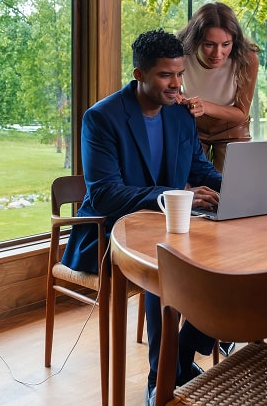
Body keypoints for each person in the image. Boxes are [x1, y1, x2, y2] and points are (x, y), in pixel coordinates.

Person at [60, 29, 221, 406]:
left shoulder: (180, 116)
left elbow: (199, 168)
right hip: (110, 234)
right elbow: (104, 194)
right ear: (140, 75)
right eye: (166, 75)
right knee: (164, 267)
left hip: (172, 224)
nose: (176, 84)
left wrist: (235, 187)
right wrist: (176, 195)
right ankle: (159, 378)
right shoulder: (101, 119)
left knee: (228, 255)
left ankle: (183, 353)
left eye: (179, 75)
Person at [177, 2, 260, 172]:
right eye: (209, 44)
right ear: (196, 39)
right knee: (188, 185)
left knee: (232, 186)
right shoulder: (179, 53)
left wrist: (204, 106)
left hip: (232, 127)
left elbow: (241, 113)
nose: (218, 54)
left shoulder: (247, 59)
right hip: (193, 125)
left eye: (226, 44)